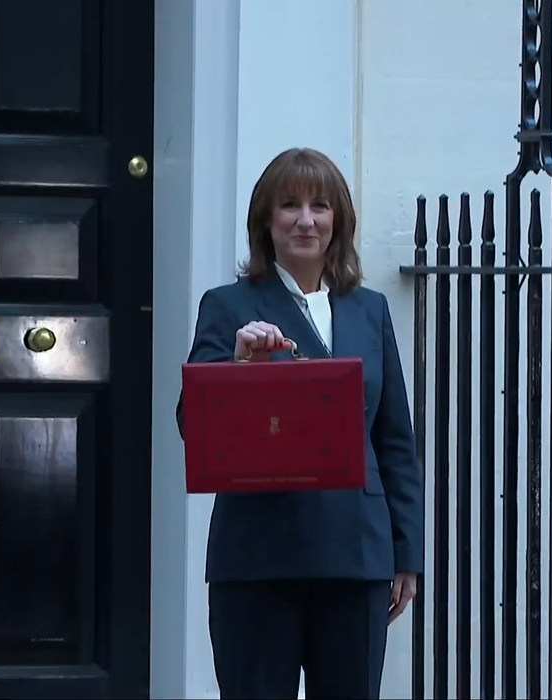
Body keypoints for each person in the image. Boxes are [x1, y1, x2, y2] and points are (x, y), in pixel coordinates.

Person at [175, 147, 423, 699]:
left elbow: (394, 439)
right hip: (259, 560)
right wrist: (238, 367)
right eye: (289, 205)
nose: (306, 220)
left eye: (320, 206)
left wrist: (407, 553)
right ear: (267, 220)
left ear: (339, 222)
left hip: (356, 557)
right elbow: (194, 425)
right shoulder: (227, 306)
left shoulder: (369, 310)